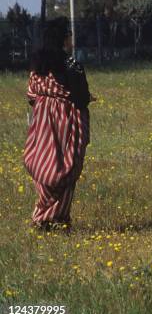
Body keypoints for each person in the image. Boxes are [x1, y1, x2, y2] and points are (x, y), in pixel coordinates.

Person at [24, 23, 93, 231]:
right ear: (63, 39)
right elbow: (81, 98)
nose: (72, 40)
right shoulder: (71, 64)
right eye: (69, 36)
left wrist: (45, 102)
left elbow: (31, 94)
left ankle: (43, 216)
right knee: (66, 165)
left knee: (43, 161)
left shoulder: (38, 64)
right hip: (66, 121)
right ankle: (56, 219)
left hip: (42, 121)